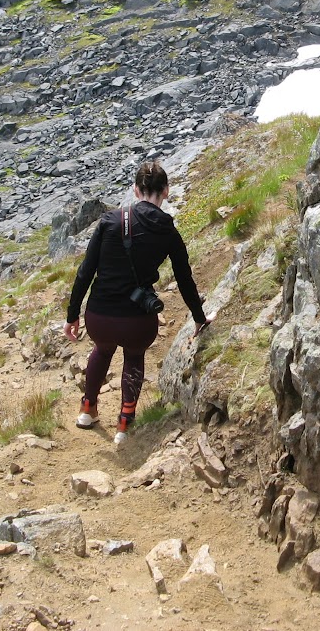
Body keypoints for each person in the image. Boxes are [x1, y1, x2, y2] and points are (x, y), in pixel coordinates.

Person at [64, 160, 215, 444]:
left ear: (136, 190)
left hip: (99, 316)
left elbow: (85, 272)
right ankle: (124, 423)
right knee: (133, 356)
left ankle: (88, 409)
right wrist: (199, 317)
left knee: (102, 348)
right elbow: (185, 279)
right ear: (166, 191)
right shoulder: (169, 232)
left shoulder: (109, 221)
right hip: (137, 321)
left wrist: (73, 315)